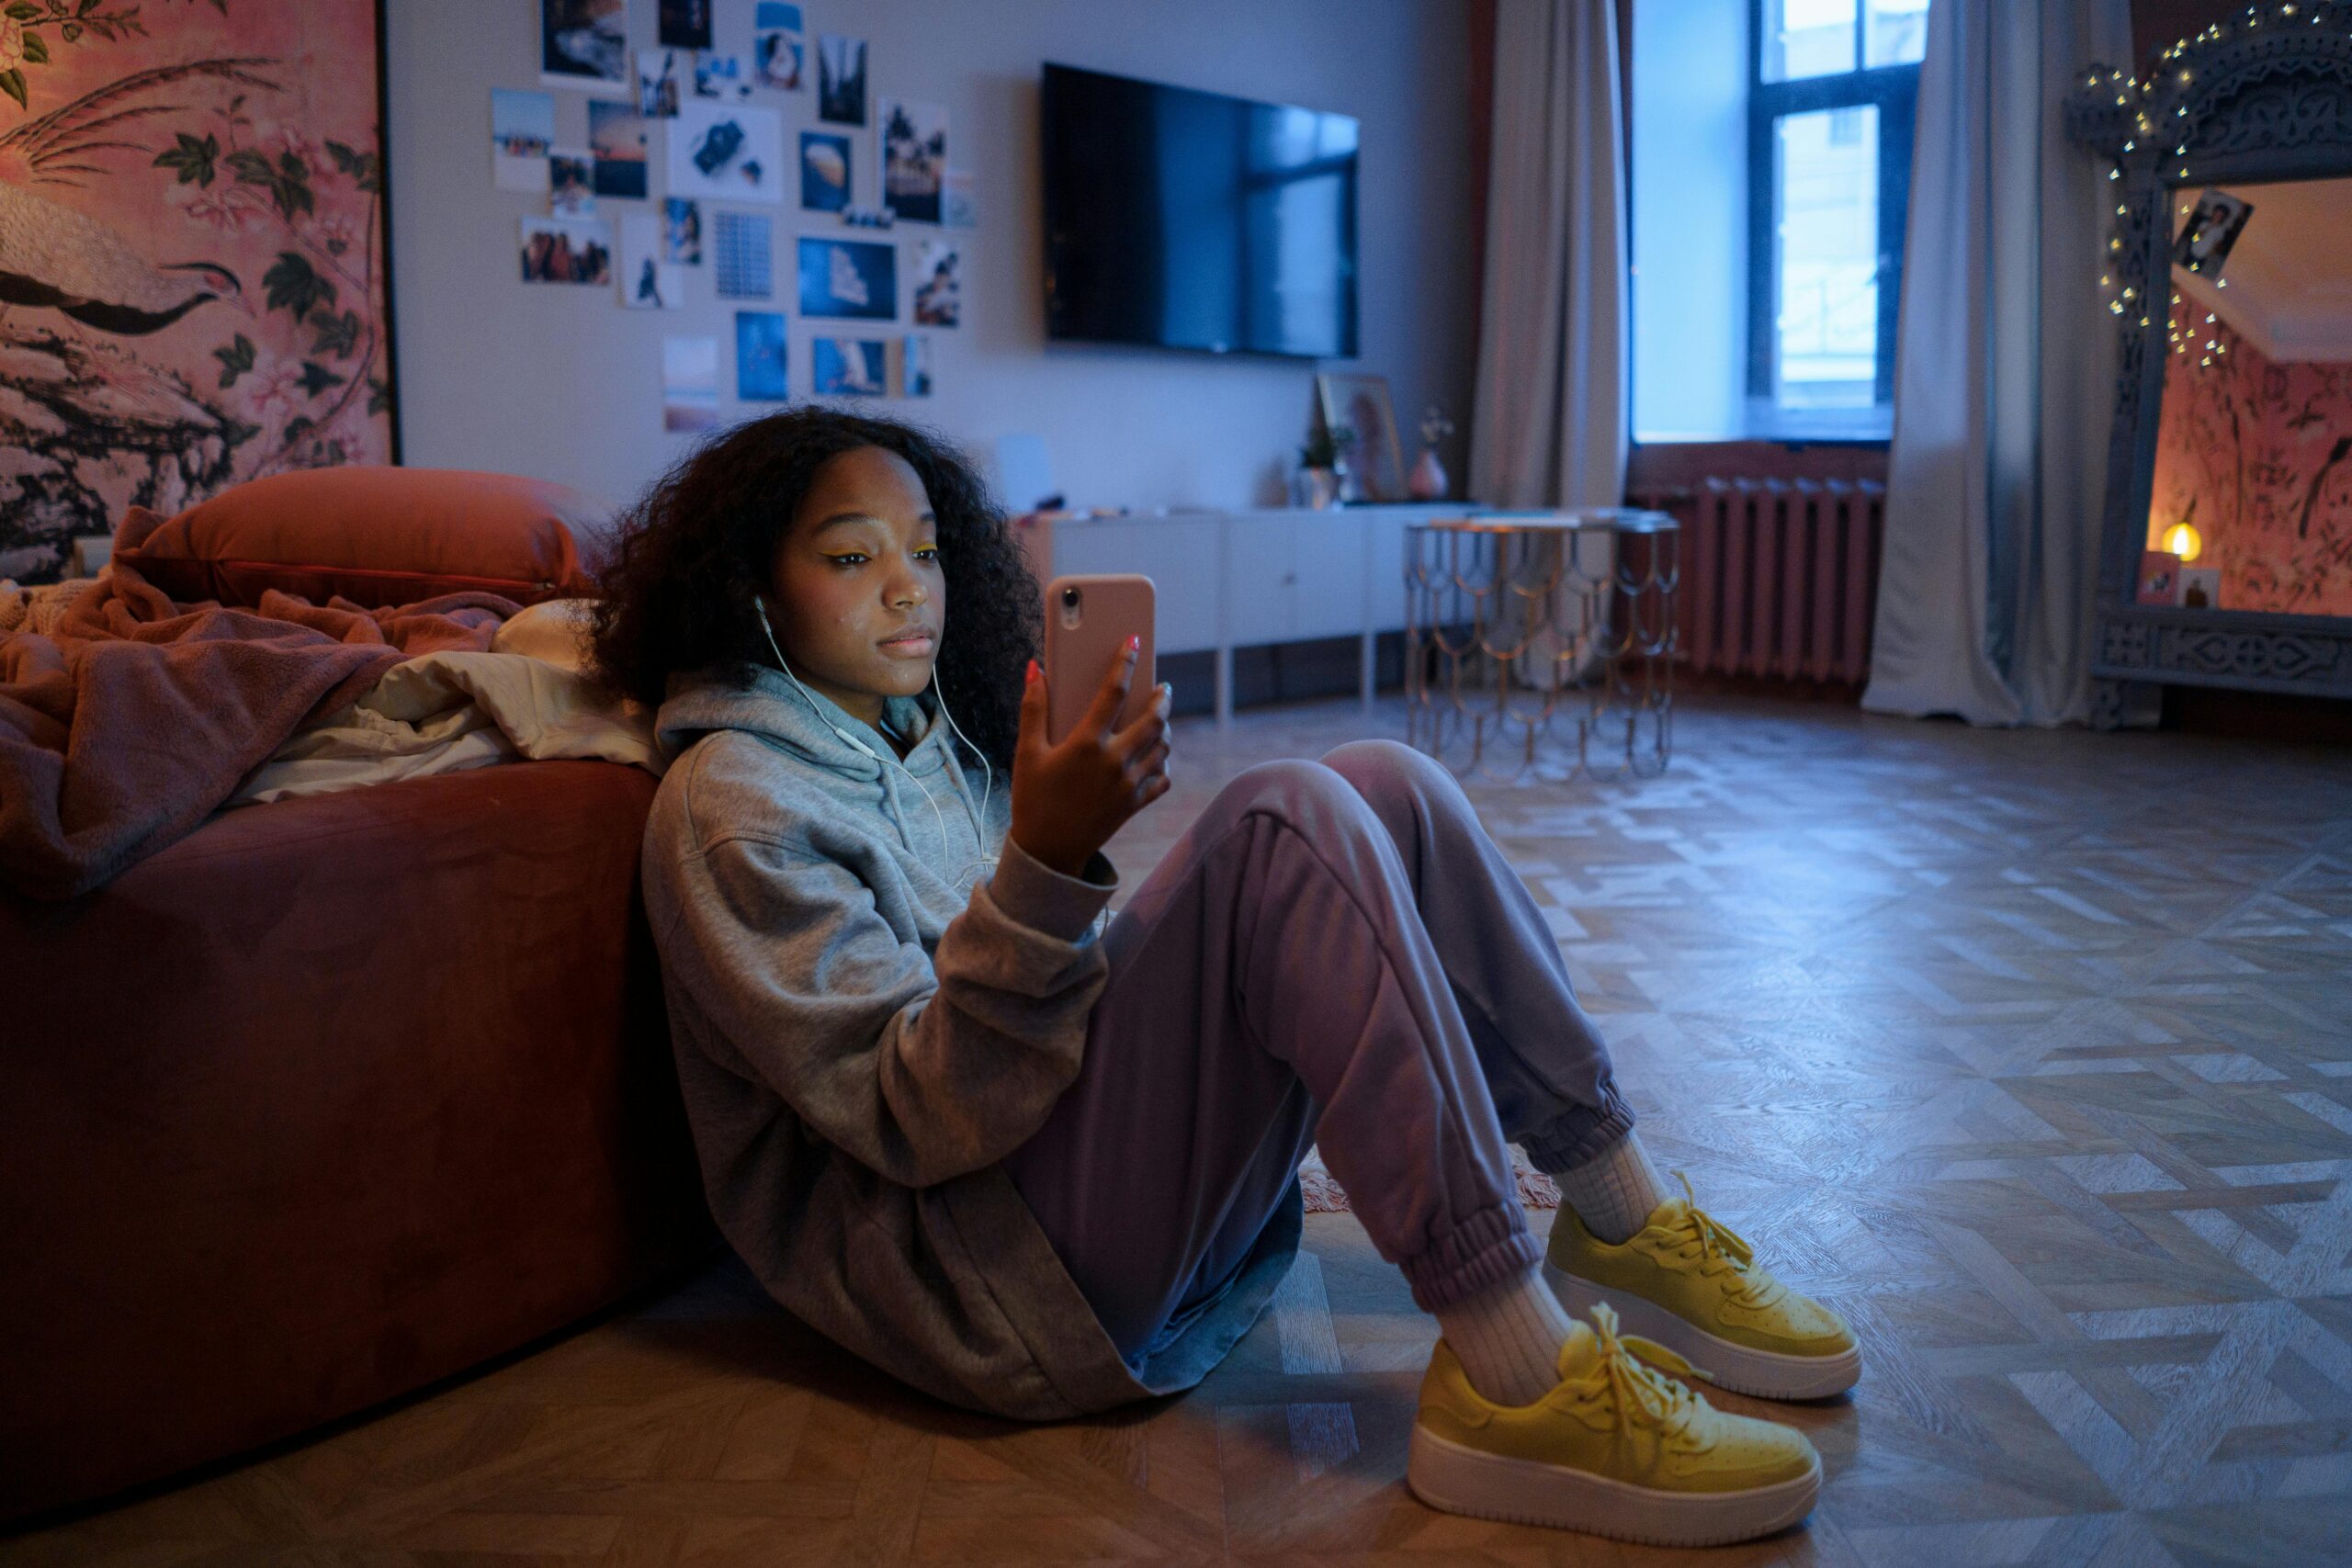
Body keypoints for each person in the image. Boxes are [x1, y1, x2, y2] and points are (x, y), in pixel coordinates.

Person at [589, 408, 1860, 1549]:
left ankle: (1618, 1214)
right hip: (985, 1287)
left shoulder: (917, 734)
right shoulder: (734, 812)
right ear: (752, 586)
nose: (906, 590)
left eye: (922, 549)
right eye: (850, 554)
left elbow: (1038, 1007)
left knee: (1381, 781)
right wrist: (1046, 855)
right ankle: (1515, 1384)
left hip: (1050, 1197)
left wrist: (1062, 853)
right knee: (1280, 821)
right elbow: (917, 1123)